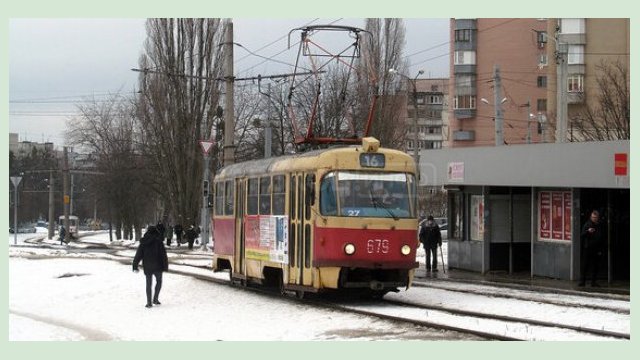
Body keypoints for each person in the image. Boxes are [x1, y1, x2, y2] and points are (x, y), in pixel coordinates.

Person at [132, 225, 169, 308]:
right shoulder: (159, 242)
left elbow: (138, 255)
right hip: (158, 265)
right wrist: (165, 266)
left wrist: (135, 265)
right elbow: (163, 255)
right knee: (159, 281)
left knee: (148, 284)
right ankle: (155, 299)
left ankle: (149, 303)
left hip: (147, 266)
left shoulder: (143, 242)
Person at [579, 210, 606, 287]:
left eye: (595, 217)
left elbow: (602, 236)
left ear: (598, 218)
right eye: (593, 217)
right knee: (585, 265)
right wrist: (588, 231)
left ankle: (593, 282)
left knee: (595, 266)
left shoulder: (599, 225)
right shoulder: (587, 224)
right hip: (588, 248)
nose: (594, 219)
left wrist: (601, 249)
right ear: (591, 217)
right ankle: (582, 281)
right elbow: (582, 235)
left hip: (596, 248)